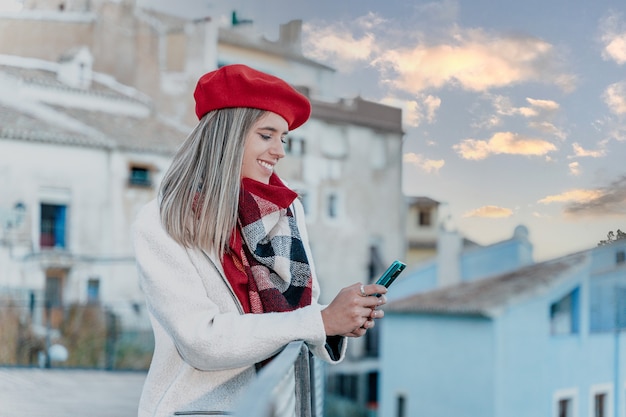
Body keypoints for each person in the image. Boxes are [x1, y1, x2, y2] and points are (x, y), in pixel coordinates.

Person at [132, 64, 388, 417]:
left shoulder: (286, 211)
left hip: (279, 405)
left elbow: (304, 312)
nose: (280, 151)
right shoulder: (163, 220)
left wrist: (340, 321)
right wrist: (321, 321)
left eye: (282, 138)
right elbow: (200, 341)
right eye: (266, 135)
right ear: (228, 135)